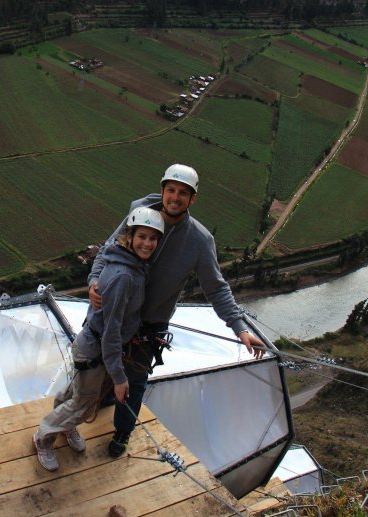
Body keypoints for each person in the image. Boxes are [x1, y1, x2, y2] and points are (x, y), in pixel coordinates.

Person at [89, 163, 267, 458]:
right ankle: (90, 405)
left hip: (148, 326)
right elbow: (110, 249)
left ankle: (122, 432)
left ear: (192, 199)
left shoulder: (199, 241)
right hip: (112, 310)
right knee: (92, 366)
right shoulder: (140, 213)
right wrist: (95, 281)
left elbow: (216, 288)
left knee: (134, 382)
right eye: (170, 190)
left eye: (183, 193)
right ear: (162, 190)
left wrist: (240, 328)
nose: (175, 197)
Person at [33, 207, 166, 471]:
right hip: (96, 350)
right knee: (83, 404)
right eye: (142, 236)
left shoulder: (128, 263)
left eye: (153, 238)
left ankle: (64, 425)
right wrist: (119, 377)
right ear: (130, 236)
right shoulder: (125, 276)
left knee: (76, 392)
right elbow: (112, 331)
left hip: (90, 345)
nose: (147, 243)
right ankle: (43, 437)